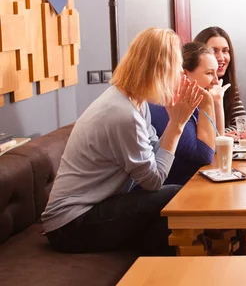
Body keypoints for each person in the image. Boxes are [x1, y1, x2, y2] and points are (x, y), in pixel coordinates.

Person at [42, 28, 202, 256]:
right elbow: (153, 181)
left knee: (163, 227)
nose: (180, 75)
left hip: (89, 212)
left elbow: (155, 151)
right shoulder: (123, 114)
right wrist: (176, 125)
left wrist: (174, 121)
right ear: (160, 69)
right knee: (177, 195)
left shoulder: (135, 102)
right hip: (70, 225)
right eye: (177, 67)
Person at [150, 42, 231, 185]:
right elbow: (204, 155)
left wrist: (217, 102)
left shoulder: (191, 100)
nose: (216, 80)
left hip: (189, 184)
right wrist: (207, 103)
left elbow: (218, 145)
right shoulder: (172, 103)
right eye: (209, 73)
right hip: (170, 190)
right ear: (185, 74)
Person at [194, 27, 246, 135]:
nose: (221, 57)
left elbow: (242, 125)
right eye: (214, 51)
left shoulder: (226, 85)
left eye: (225, 51)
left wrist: (221, 134)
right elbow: (195, 133)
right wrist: (220, 135)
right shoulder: (192, 88)